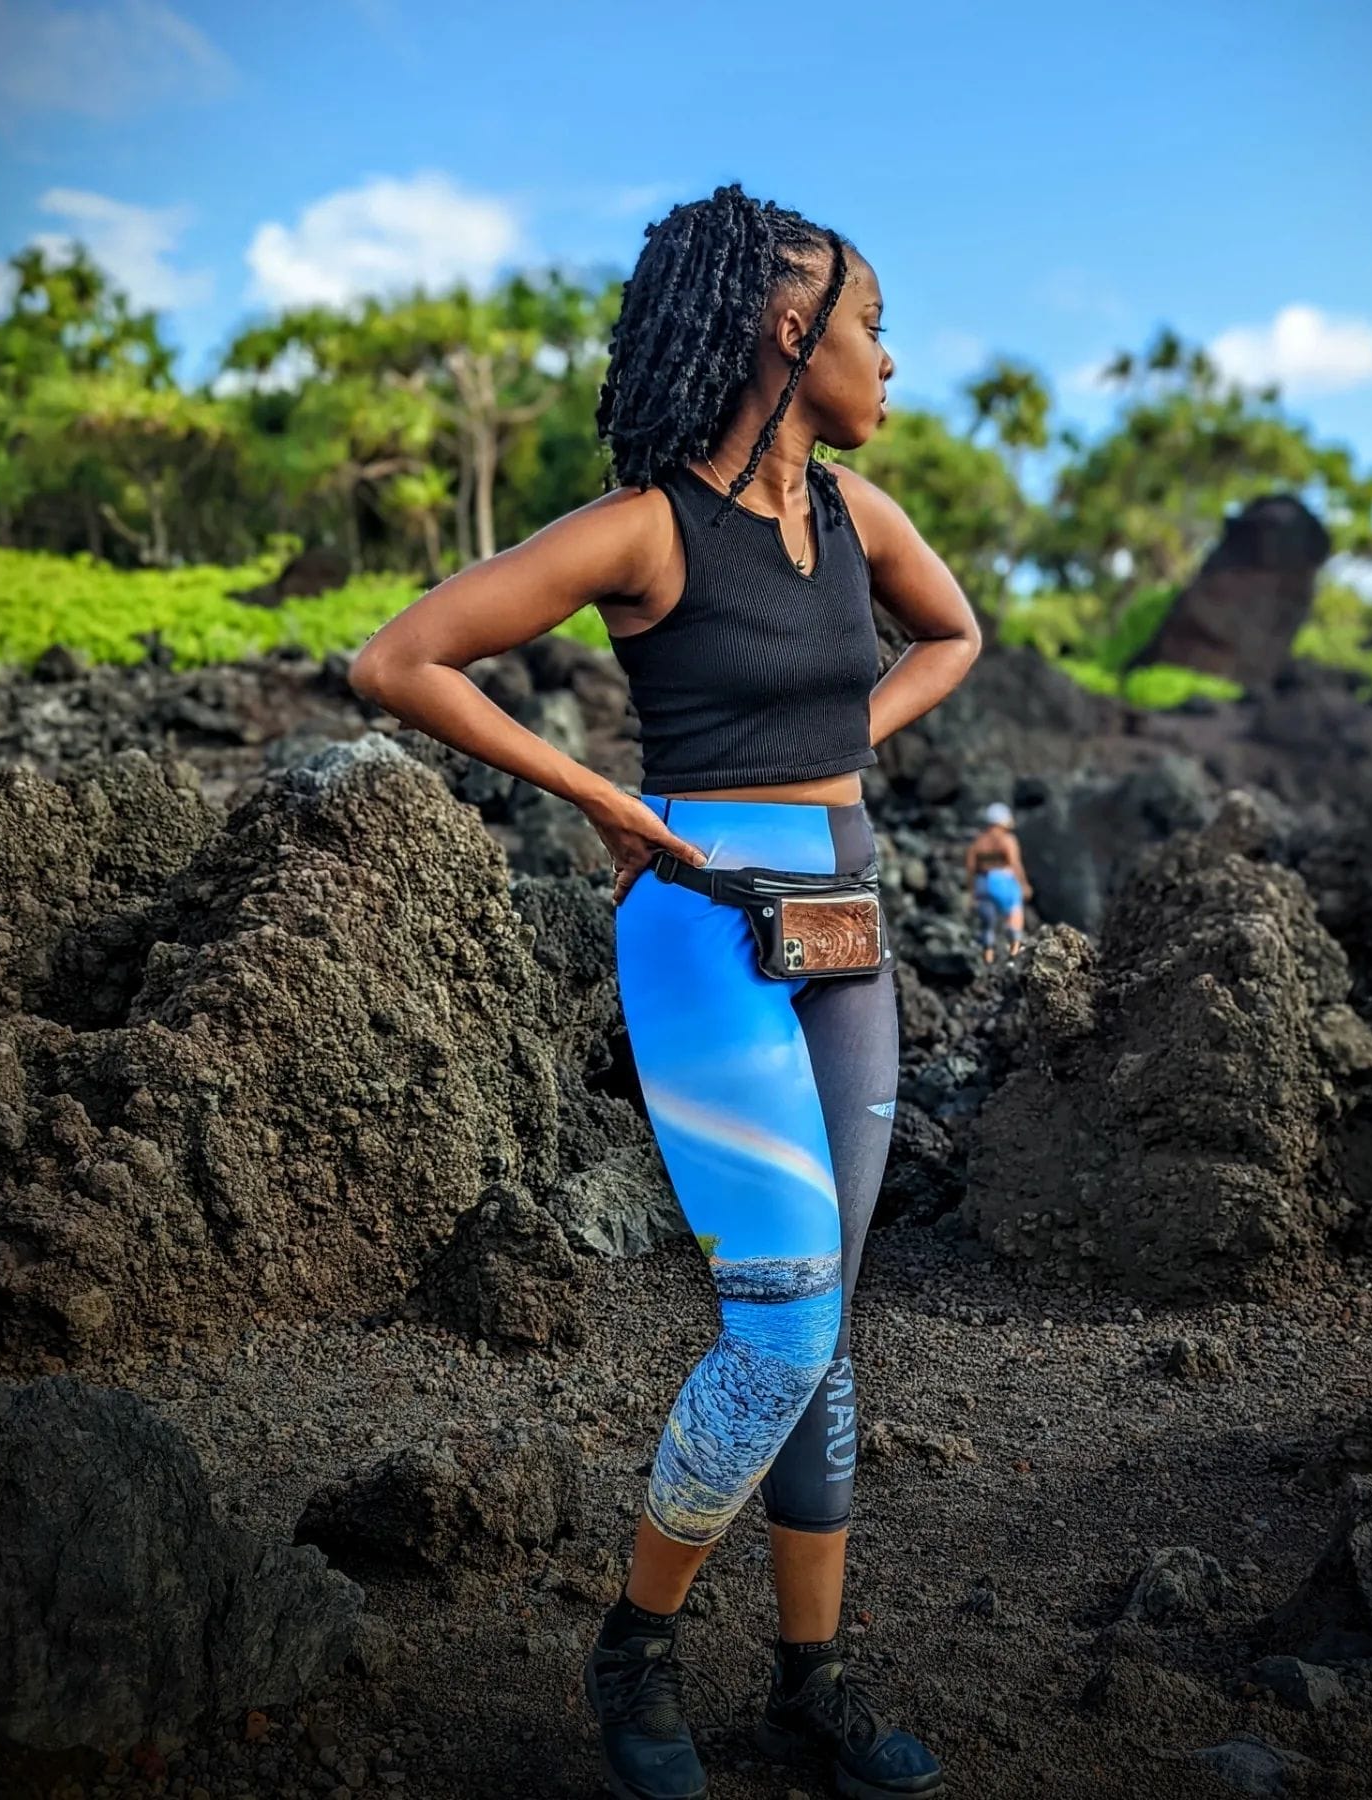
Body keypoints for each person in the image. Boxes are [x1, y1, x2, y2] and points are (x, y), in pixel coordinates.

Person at [348, 184, 980, 1800]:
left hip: (851, 935)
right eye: (871, 328)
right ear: (790, 329)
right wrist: (601, 799)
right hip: (702, 932)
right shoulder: (646, 527)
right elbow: (399, 658)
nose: (889, 364)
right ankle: (635, 1649)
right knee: (780, 1329)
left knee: (829, 1340)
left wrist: (840, 762)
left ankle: (807, 1689)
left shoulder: (860, 522)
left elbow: (954, 637)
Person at [965, 802, 1031, 964]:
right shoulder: (1007, 839)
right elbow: (1015, 863)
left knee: (988, 924)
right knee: (1014, 914)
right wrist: (1023, 884)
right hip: (1003, 881)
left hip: (983, 882)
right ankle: (1014, 952)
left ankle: (988, 956)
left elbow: (971, 868)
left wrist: (972, 892)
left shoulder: (978, 842)